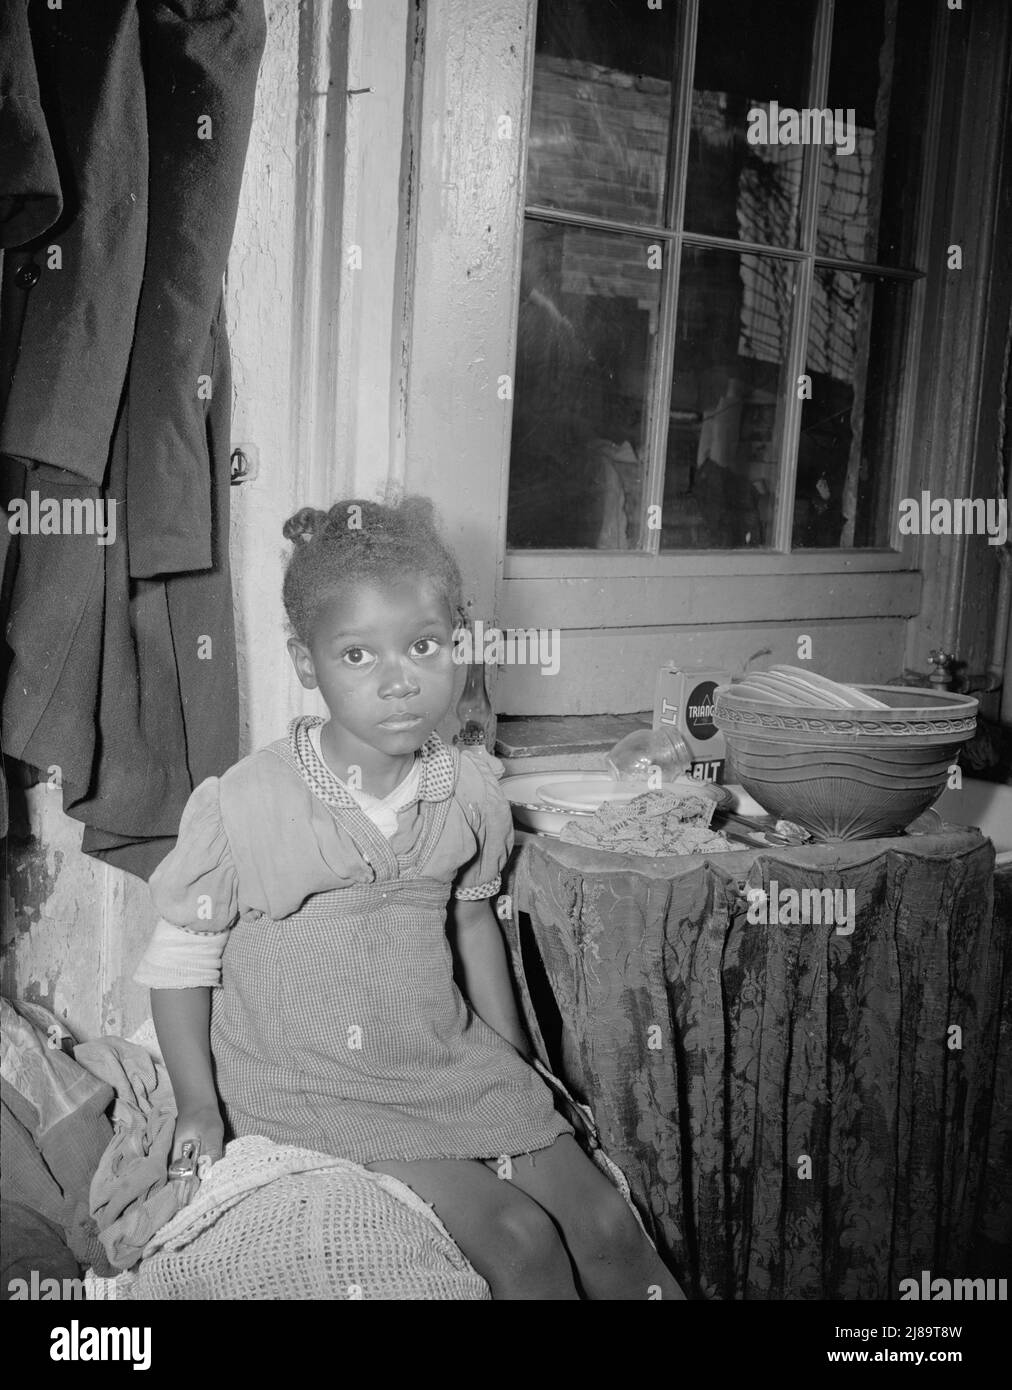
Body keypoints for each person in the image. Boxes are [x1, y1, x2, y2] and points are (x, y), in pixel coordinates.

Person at [135, 495, 685, 1301]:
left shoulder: (464, 789)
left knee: (606, 1228)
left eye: (424, 646)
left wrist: (514, 1061)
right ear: (304, 660)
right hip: (308, 1079)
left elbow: (471, 925)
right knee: (519, 1240)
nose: (399, 683)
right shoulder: (245, 802)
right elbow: (181, 961)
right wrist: (195, 1106)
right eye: (358, 656)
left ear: (456, 644)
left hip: (441, 1059)